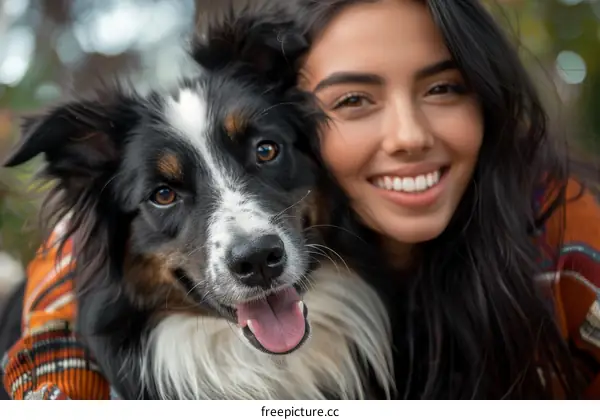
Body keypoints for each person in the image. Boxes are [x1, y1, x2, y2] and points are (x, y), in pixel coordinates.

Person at [1, 0, 600, 399]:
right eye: (355, 100)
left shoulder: (566, 237)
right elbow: (71, 277)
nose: (409, 136)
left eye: (443, 87)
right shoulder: (74, 273)